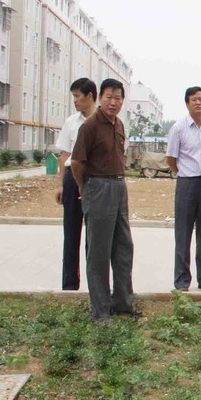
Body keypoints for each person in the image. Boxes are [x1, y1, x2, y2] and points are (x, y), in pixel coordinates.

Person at [70, 79, 138, 322]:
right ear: (100, 98)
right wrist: (85, 187)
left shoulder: (118, 124)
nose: (113, 102)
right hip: (98, 187)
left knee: (123, 248)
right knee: (99, 252)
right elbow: (76, 162)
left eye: (118, 98)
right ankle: (100, 311)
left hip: (119, 186)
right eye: (109, 97)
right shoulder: (90, 126)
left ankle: (123, 304)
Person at [166, 87, 201, 292]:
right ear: (187, 104)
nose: (198, 103)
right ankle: (182, 280)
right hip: (187, 184)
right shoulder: (178, 128)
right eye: (193, 100)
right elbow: (171, 159)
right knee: (183, 232)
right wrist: (184, 173)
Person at [55, 78, 97, 290]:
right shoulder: (71, 122)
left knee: (95, 236)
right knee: (71, 233)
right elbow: (65, 155)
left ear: (89, 96)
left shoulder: (103, 121)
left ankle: (95, 286)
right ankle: (70, 284)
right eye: (73, 97)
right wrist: (61, 184)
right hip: (72, 179)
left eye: (77, 96)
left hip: (95, 180)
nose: (75, 101)